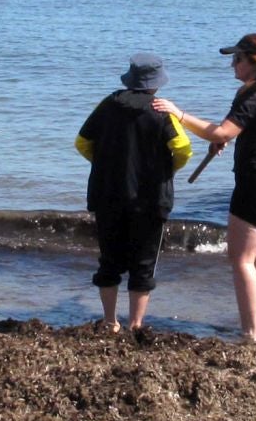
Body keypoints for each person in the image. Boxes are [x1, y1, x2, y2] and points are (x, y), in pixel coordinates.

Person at [153, 33, 256, 342]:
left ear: (253, 61)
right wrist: (226, 139)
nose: (232, 64)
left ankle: (250, 333)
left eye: (237, 58)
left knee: (242, 260)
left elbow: (219, 130)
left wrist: (179, 114)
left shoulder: (251, 93)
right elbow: (251, 131)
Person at [75, 52, 192, 333]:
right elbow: (183, 149)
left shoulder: (108, 104)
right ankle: (136, 325)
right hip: (150, 199)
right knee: (143, 264)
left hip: (107, 194)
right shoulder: (162, 110)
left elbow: (82, 142)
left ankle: (109, 321)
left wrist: (106, 164)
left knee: (109, 260)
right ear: (157, 83)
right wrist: (167, 171)